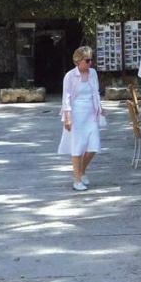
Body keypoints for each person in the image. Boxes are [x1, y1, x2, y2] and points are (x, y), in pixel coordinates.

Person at [58, 46, 103, 191]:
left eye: (91, 60)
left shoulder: (93, 74)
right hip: (77, 113)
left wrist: (100, 108)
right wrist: (68, 117)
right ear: (78, 61)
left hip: (91, 113)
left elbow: (95, 92)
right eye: (87, 60)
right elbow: (66, 98)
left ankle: (81, 170)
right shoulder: (70, 76)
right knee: (77, 146)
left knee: (94, 146)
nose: (90, 63)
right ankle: (77, 179)